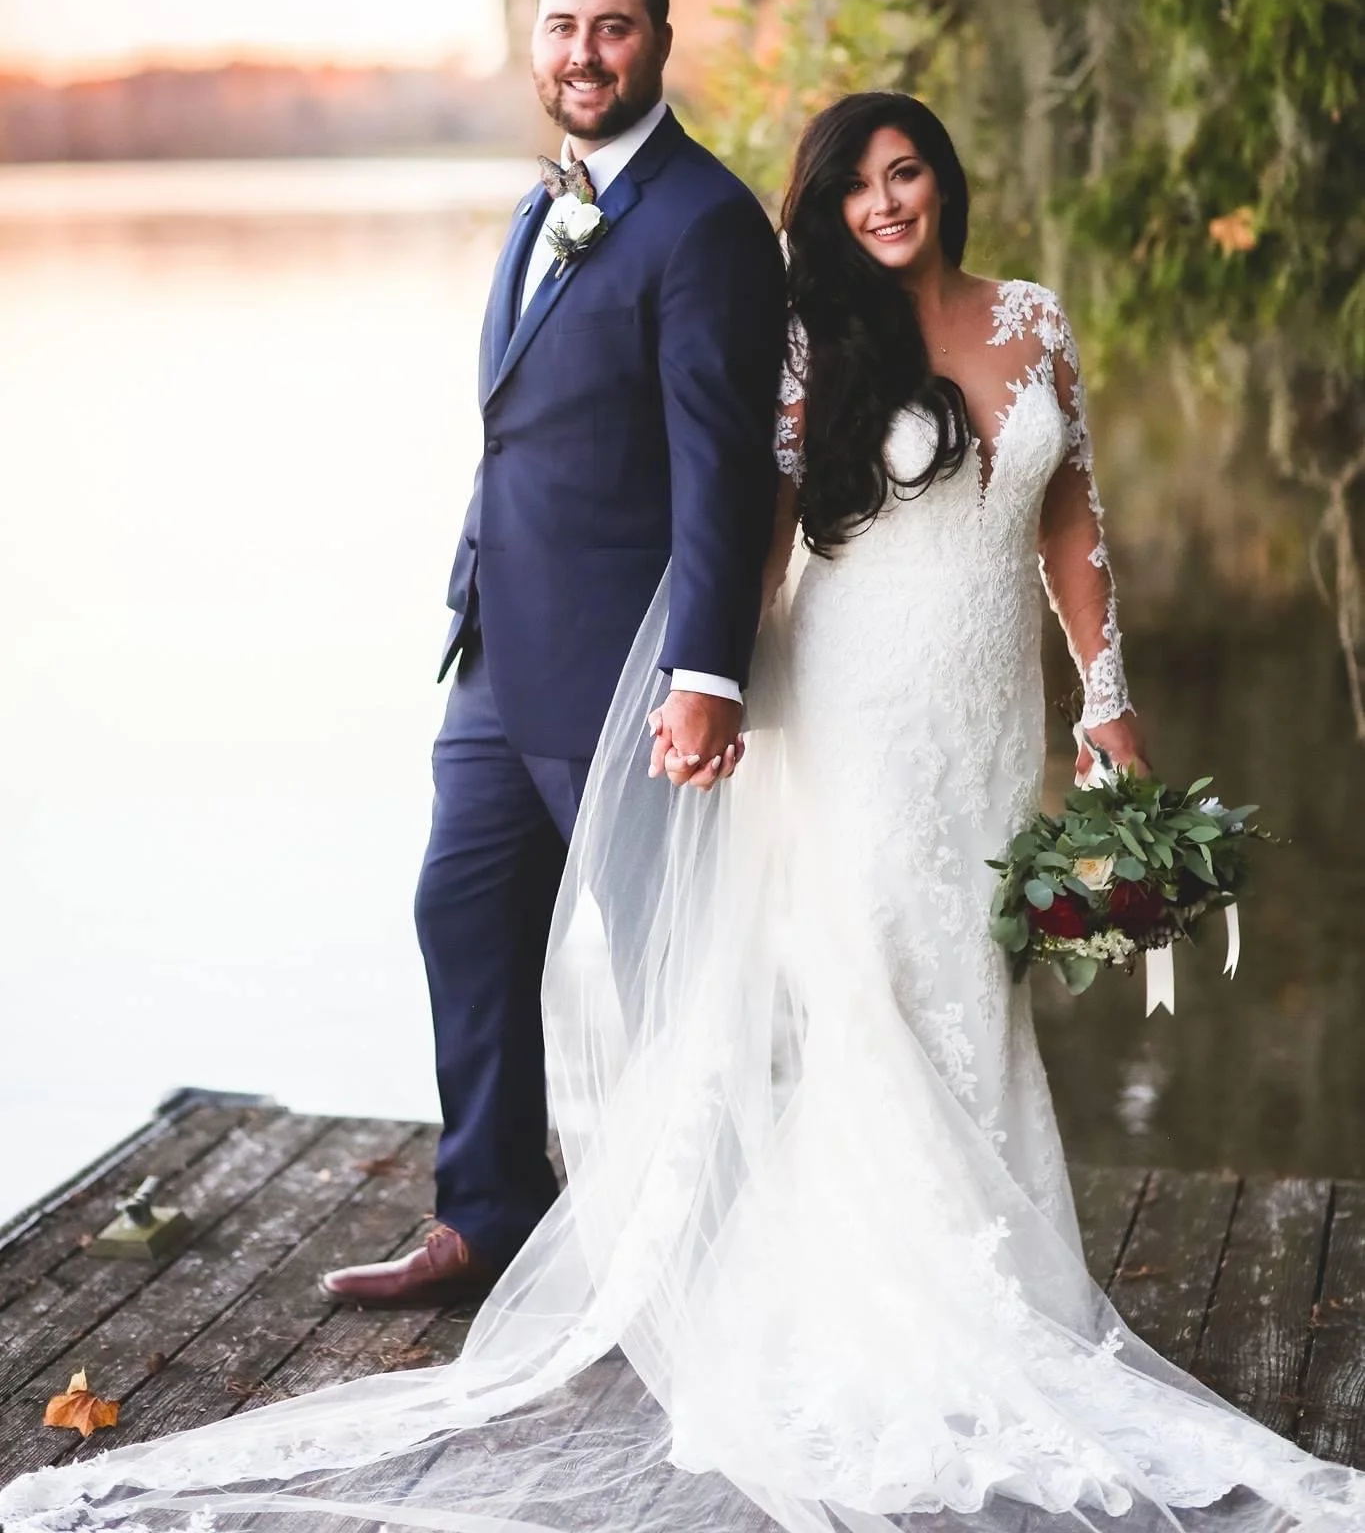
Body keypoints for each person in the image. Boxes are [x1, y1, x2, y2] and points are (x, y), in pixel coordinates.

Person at [5, 93, 1360, 1533]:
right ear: (830, 212)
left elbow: (1072, 513)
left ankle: (1001, 1276)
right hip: (849, 709)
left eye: (908, 174)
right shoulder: (815, 342)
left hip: (982, 716)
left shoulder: (1035, 316)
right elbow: (759, 524)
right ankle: (869, 1307)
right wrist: (710, 685)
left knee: (969, 976)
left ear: (944, 181)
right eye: (859, 188)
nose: (889, 203)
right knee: (867, 989)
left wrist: (1107, 698)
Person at [320, 0, 787, 1308]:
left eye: (614, 29)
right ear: (536, 41)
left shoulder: (704, 223)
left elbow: (724, 466)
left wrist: (705, 670)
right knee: (461, 912)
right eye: (563, 26)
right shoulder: (549, 205)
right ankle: (488, 1218)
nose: (584, 53)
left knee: (653, 970)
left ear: (658, 40)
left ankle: (705, 1259)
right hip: (494, 651)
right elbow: (519, 429)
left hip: (627, 670)